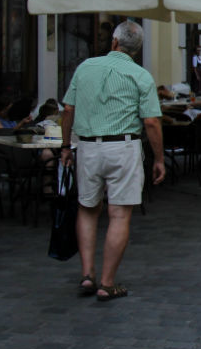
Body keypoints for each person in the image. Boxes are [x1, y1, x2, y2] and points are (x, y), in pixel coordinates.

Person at [60, 20, 165, 302]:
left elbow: (68, 109)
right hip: (124, 147)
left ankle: (87, 273)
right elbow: (152, 122)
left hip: (89, 146)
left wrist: (65, 145)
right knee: (119, 214)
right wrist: (159, 158)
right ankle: (107, 282)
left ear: (114, 42)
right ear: (137, 49)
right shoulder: (141, 76)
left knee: (87, 208)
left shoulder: (85, 68)